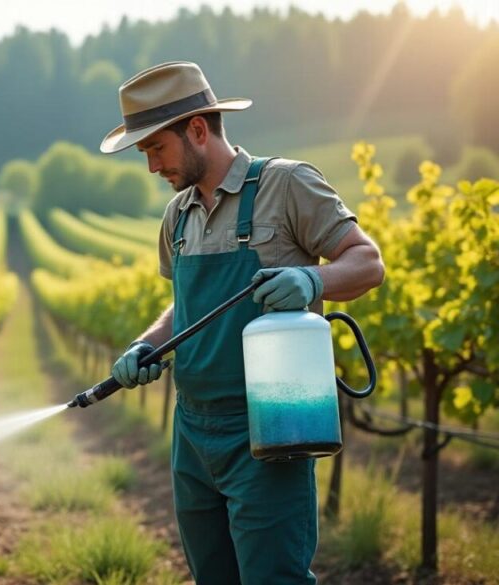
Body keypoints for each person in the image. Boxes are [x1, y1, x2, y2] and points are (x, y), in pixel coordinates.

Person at [99, 61, 385, 584]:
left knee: (273, 578)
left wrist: (314, 282)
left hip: (273, 422)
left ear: (198, 130)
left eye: (155, 149)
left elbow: (368, 262)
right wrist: (146, 346)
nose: (151, 167)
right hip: (192, 428)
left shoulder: (288, 183)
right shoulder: (177, 216)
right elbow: (184, 308)